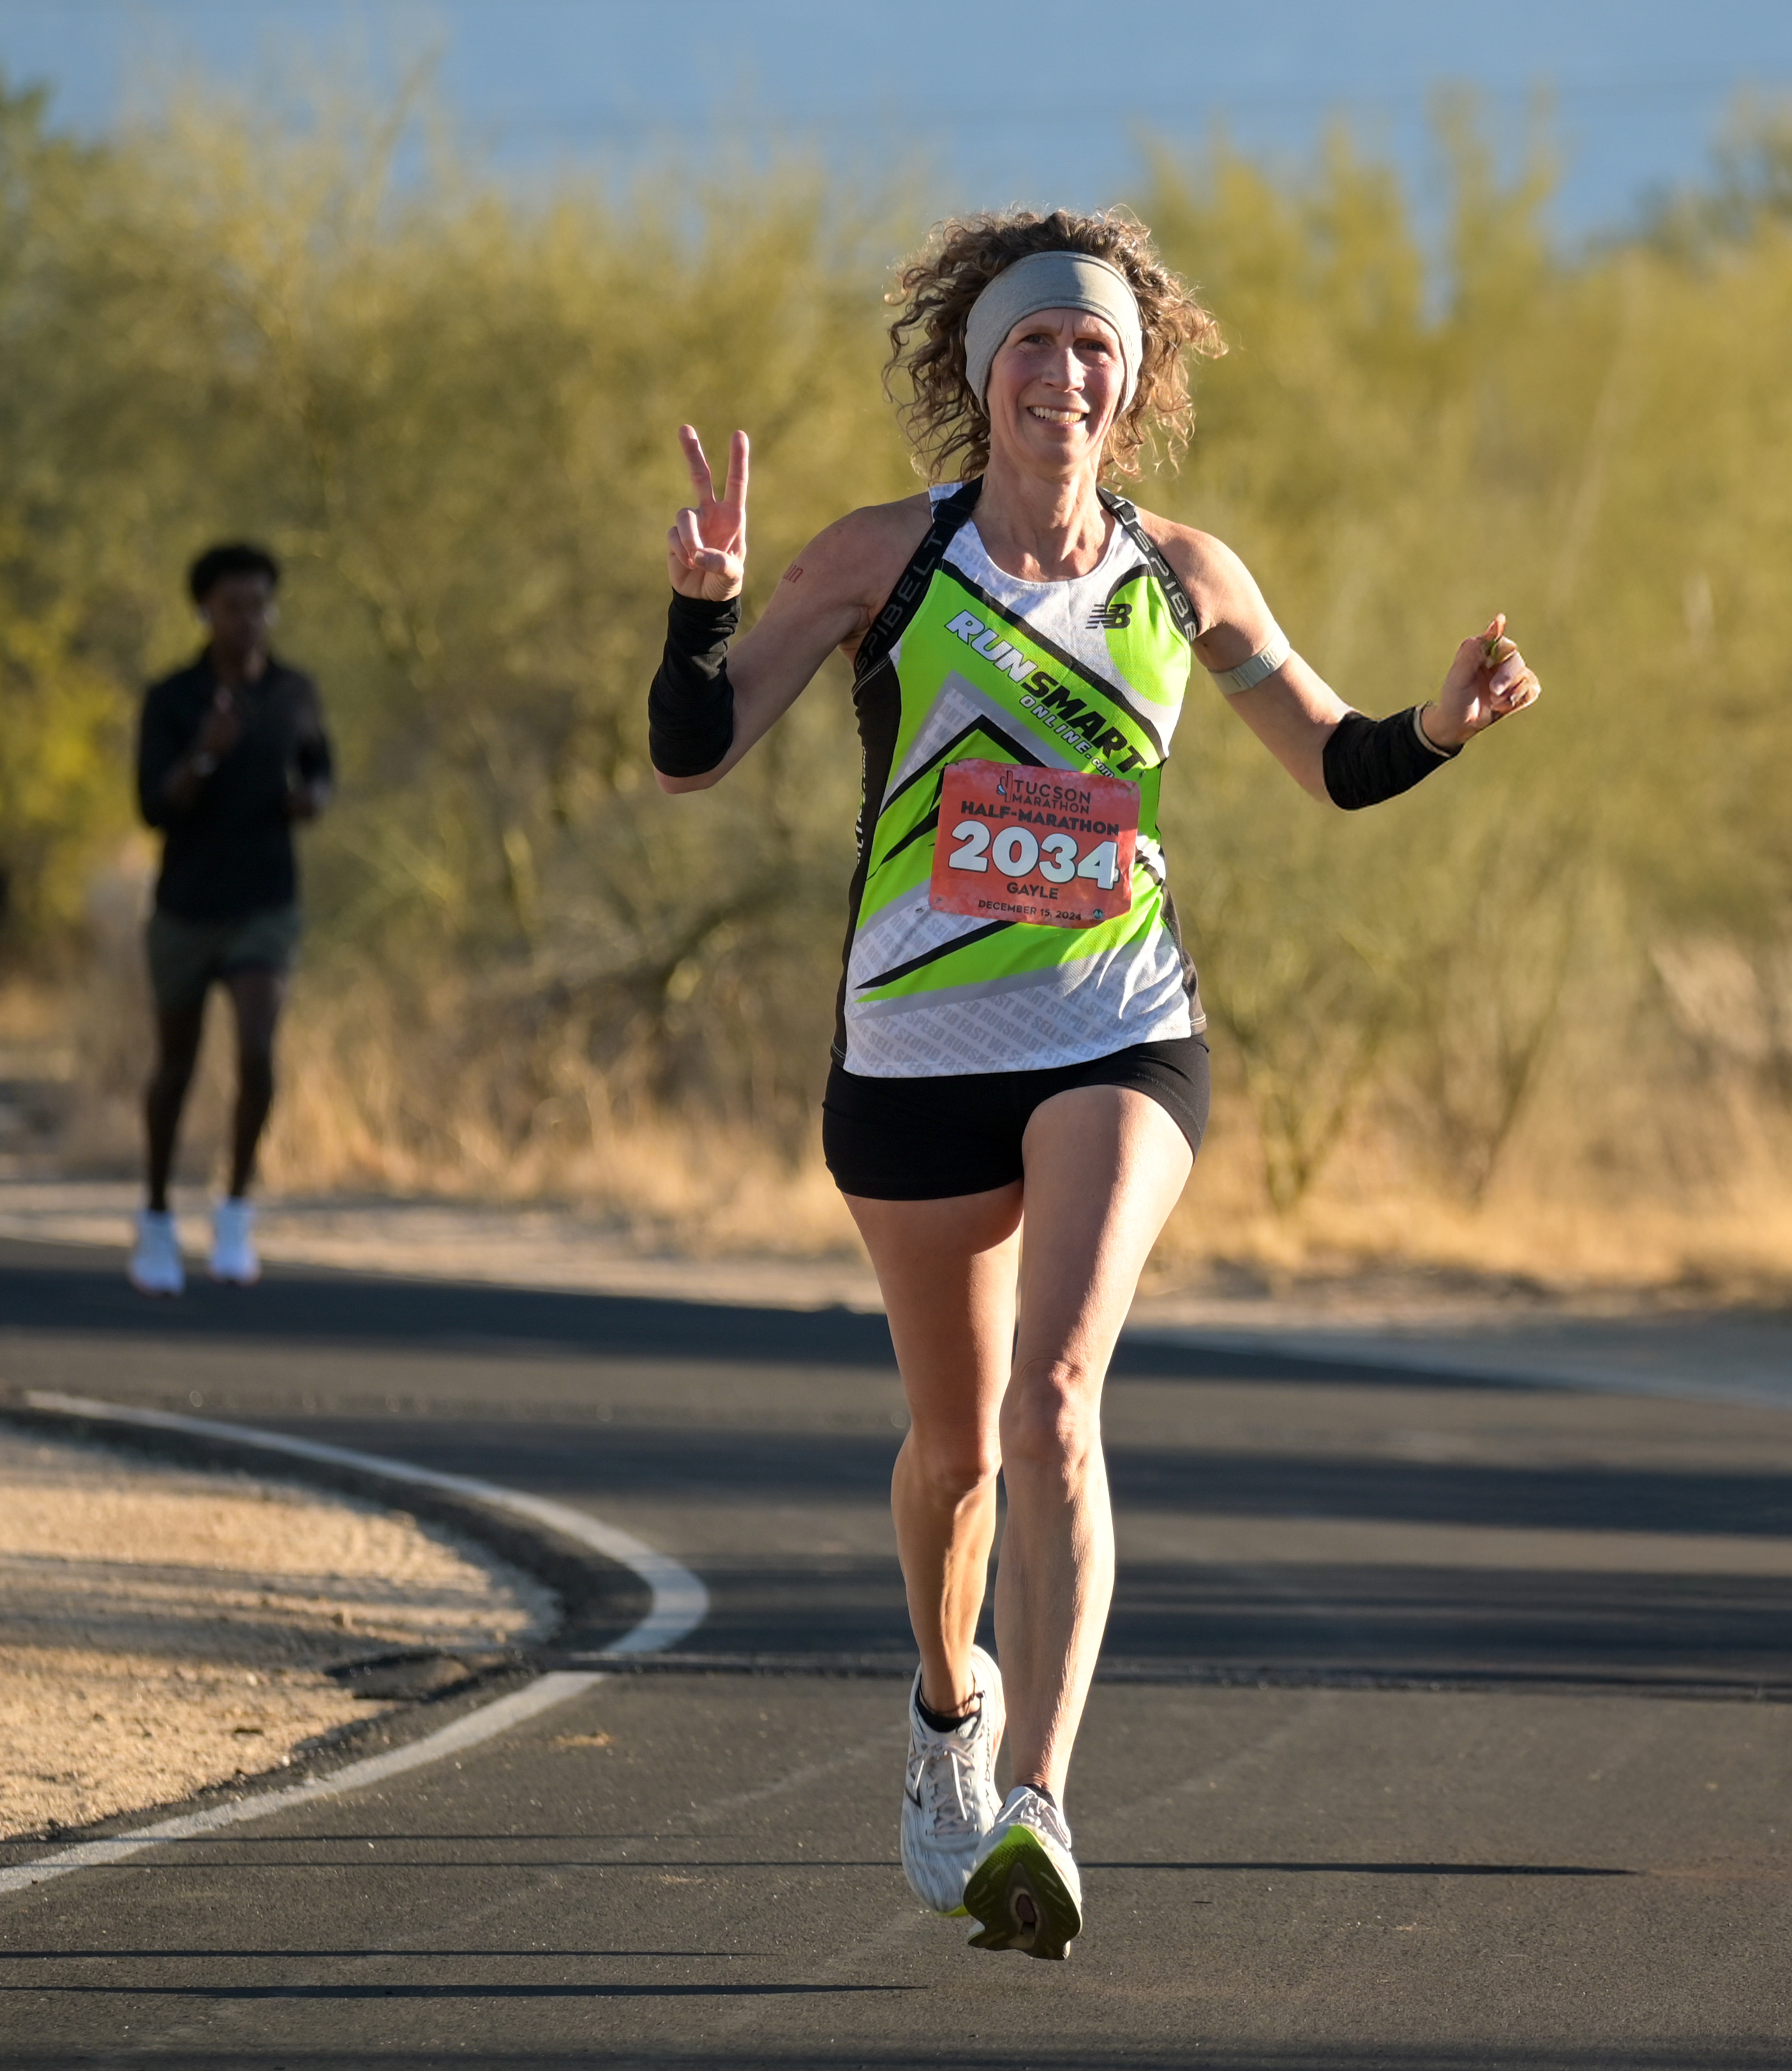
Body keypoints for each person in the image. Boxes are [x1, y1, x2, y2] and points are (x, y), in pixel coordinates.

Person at [649, 210, 1544, 1961]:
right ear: (981, 379)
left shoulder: (1185, 570)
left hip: (1118, 1025)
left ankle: (1044, 1802)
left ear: (1132, 389)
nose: (1066, 373)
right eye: (1035, 347)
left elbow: (1330, 755)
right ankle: (944, 1716)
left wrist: (1433, 724)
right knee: (958, 1452)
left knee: (1060, 1395)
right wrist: (703, 606)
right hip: (909, 1046)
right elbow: (694, 751)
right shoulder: (879, 560)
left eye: (1096, 350)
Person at [129, 541, 334, 1296]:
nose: (249, 621)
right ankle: (154, 1214)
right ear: (205, 613)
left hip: (265, 901)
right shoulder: (173, 697)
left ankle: (238, 1203)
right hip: (186, 904)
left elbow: (320, 767)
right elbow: (152, 805)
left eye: (260, 605)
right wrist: (204, 756)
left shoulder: (293, 692)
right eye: (233, 607)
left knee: (256, 1045)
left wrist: (313, 799)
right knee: (175, 1066)